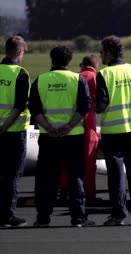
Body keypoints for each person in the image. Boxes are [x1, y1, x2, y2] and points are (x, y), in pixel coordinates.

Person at [28, 45, 94, 227]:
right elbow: (84, 107)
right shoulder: (76, 79)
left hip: (48, 137)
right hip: (73, 136)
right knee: (75, 177)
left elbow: (34, 108)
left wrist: (49, 127)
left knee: (46, 178)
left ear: (51, 59)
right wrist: (68, 126)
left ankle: (42, 218)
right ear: (69, 61)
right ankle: (78, 217)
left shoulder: (41, 80)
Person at [95, 35, 131, 226]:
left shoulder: (105, 74)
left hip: (113, 132)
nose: (100, 55)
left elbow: (101, 104)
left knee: (116, 175)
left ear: (109, 52)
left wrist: (93, 107)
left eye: (101, 52)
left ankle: (118, 215)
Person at [59, 55, 99, 202]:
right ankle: (88, 195)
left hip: (70, 126)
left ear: (82, 65)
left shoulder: (73, 78)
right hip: (88, 127)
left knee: (66, 162)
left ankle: (64, 191)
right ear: (95, 66)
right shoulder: (95, 78)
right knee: (88, 164)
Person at [0, 36, 30, 227]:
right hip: (13, 132)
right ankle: (7, 215)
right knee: (12, 175)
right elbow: (19, 105)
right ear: (19, 52)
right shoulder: (20, 73)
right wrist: (4, 127)